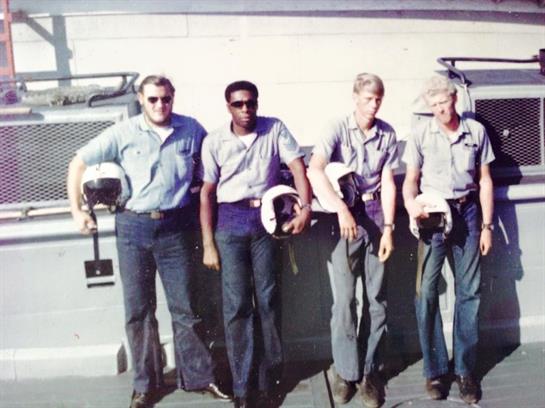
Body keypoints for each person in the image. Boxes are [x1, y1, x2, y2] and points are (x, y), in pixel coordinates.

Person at [67, 75, 230, 408]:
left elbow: (213, 164)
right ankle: (145, 384)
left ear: (173, 98)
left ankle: (199, 376)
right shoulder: (122, 133)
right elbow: (78, 163)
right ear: (141, 98)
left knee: (187, 307)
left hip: (177, 227)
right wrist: (76, 210)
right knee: (139, 310)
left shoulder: (191, 129)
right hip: (133, 227)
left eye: (166, 99)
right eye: (153, 99)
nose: (160, 105)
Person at [199, 80, 312, 408]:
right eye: (238, 104)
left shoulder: (274, 129)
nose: (246, 110)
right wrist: (208, 242)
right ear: (228, 107)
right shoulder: (214, 141)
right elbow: (207, 192)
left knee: (268, 299)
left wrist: (304, 209)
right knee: (237, 306)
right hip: (230, 222)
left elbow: (298, 168)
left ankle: (270, 381)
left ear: (257, 103)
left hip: (267, 221)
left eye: (250, 103)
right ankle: (242, 387)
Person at [307, 73, 398, 408]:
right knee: (344, 301)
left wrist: (388, 227)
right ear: (355, 97)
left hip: (375, 214)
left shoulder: (387, 133)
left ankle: (370, 373)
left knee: (377, 300)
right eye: (367, 98)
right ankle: (346, 372)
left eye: (378, 99)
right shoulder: (337, 128)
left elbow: (388, 181)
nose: (372, 105)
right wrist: (341, 208)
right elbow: (315, 170)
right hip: (343, 218)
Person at [402, 75, 494, 405]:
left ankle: (465, 372)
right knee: (425, 291)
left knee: (469, 291)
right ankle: (435, 370)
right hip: (433, 216)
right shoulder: (420, 134)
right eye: (435, 105)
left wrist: (486, 226)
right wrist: (412, 205)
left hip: (468, 214)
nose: (441, 109)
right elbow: (410, 181)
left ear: (455, 100)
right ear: (429, 107)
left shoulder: (476, 132)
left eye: (445, 102)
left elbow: (484, 181)